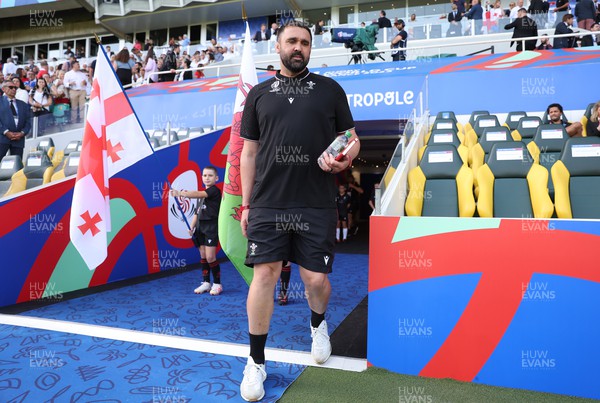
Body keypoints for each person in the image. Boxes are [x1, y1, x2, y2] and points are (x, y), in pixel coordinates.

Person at [238, 20, 360, 402]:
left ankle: (318, 324)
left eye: (305, 42)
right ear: (277, 47)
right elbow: (249, 153)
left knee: (316, 281)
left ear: (310, 48)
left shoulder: (329, 90)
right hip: (268, 202)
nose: (298, 47)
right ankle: (256, 361)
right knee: (265, 276)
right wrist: (245, 203)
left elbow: (351, 139)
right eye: (291, 40)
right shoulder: (259, 94)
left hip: (316, 202)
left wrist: (346, 159)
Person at [171, 166, 223, 295]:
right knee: (203, 256)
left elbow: (198, 194)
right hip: (200, 227)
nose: (207, 178)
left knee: (211, 257)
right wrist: (192, 227)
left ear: (216, 178)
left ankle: (217, 283)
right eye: (204, 175)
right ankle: (206, 282)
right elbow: (196, 212)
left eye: (210, 175)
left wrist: (180, 193)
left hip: (211, 227)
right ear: (202, 177)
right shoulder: (202, 196)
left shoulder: (214, 191)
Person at [0, 81, 32, 160]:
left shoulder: (23, 104)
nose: (14, 89)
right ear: (3, 89)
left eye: (15, 88)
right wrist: (6, 132)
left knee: (17, 166)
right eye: (11, 87)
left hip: (19, 140)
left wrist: (22, 133)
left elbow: (28, 122)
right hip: (2, 138)